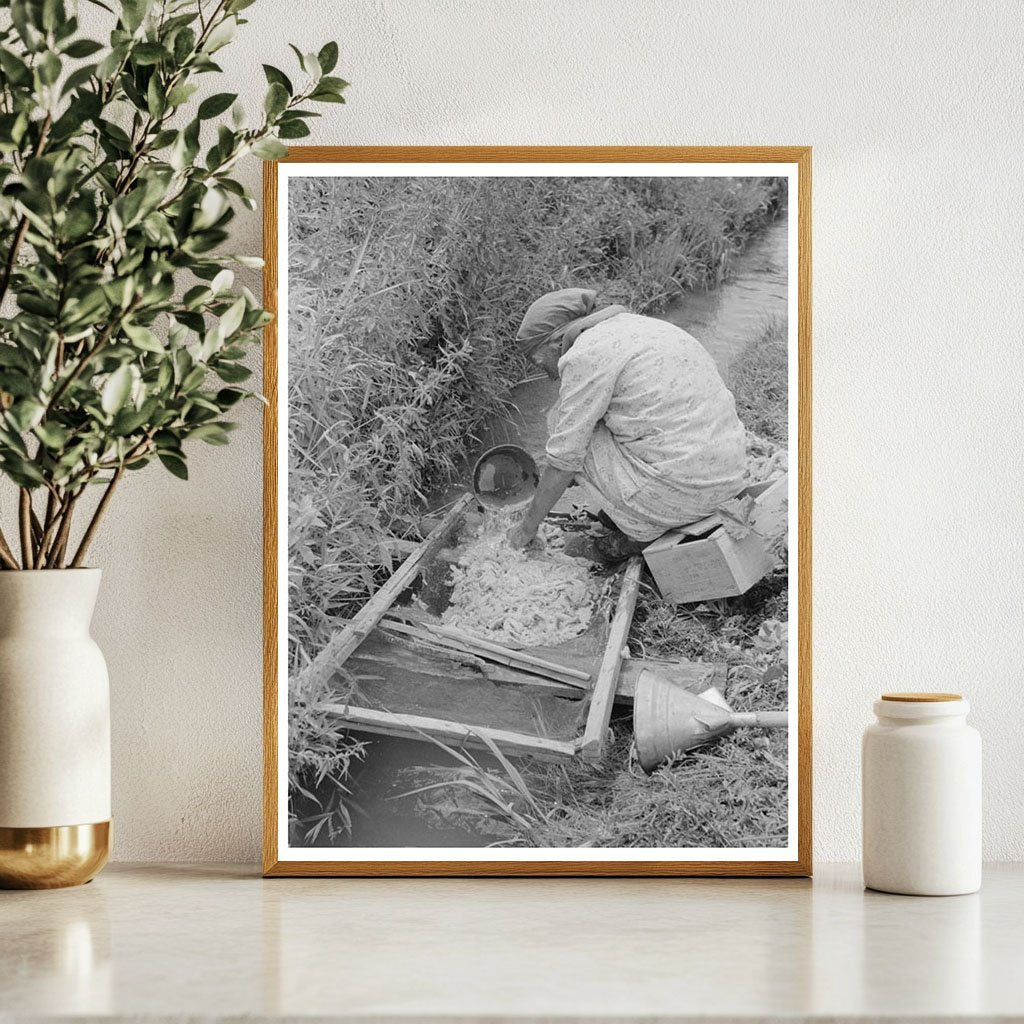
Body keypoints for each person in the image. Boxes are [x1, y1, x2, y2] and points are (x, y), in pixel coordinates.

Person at [507, 287, 747, 562]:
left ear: (558, 340)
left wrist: (526, 529)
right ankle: (640, 511)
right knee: (582, 424)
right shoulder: (646, 328)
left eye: (539, 361)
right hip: (726, 481)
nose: (547, 373)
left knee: (561, 421)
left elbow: (565, 458)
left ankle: (640, 533)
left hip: (683, 495)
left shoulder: (586, 353)